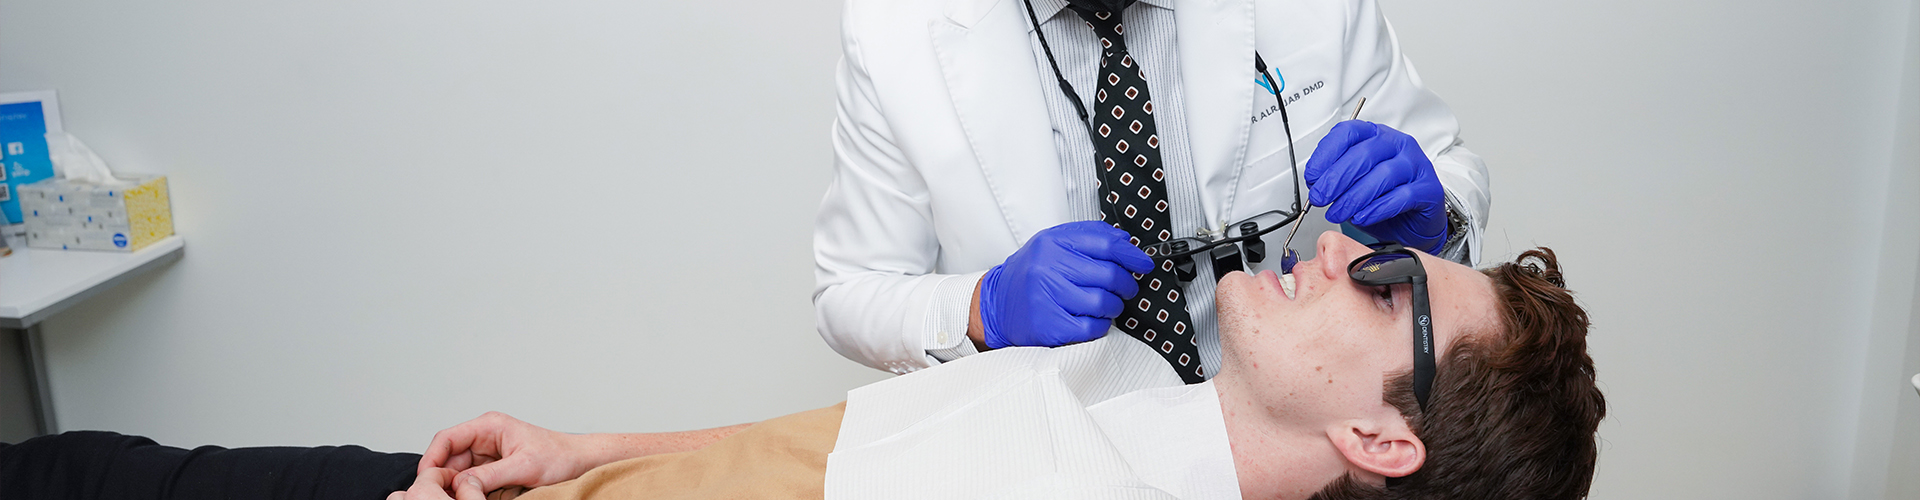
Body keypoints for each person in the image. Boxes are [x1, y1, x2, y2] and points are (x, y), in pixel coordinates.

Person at [2, 232, 1602, 500]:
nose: (1341, 245)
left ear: (1392, 443)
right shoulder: (1117, 383)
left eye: (1389, 278)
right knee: (97, 471)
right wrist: (583, 447)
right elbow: (836, 439)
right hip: (570, 486)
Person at [813, 0, 1494, 384]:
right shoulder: (892, 30)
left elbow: (1446, 166)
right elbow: (849, 291)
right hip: (1060, 438)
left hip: (1295, 414)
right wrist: (982, 306)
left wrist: (1436, 227)